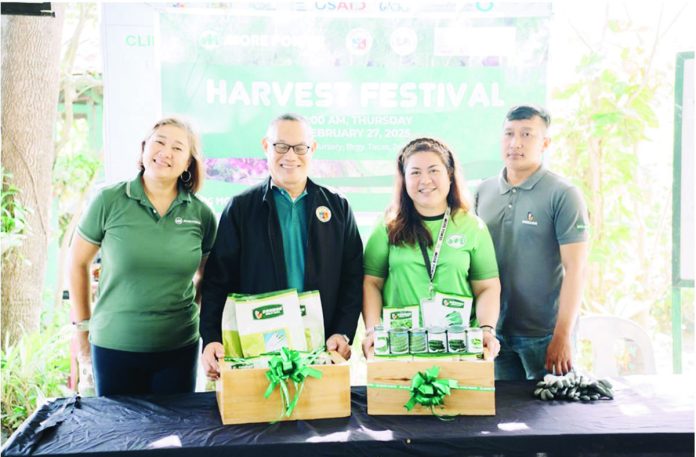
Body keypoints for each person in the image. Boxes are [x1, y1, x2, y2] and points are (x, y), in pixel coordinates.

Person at [199, 113, 363, 379]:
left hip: (321, 350)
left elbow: (352, 277)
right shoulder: (241, 208)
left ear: (313, 149)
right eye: (281, 146)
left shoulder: (338, 206)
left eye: (300, 148)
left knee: (322, 419)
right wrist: (211, 337)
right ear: (266, 146)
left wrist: (343, 331)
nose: (291, 156)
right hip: (257, 349)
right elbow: (218, 280)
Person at [68, 116, 217, 396]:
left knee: (172, 435)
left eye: (177, 148)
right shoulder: (108, 201)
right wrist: (83, 331)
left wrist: (189, 310)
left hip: (178, 348)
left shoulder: (201, 214)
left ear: (188, 163)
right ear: (143, 149)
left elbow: (207, 276)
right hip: (114, 346)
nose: (166, 152)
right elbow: (77, 263)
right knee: (120, 438)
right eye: (159, 142)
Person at [475, 104, 589, 380]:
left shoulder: (564, 194)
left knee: (554, 417)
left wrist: (562, 336)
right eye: (509, 134)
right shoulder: (483, 191)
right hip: (495, 335)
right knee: (504, 417)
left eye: (527, 134)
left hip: (545, 335)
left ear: (545, 143)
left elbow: (576, 270)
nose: (516, 143)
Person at [362, 137, 501, 358]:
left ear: (450, 174)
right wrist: (372, 330)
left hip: (459, 352)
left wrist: (486, 329)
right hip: (400, 353)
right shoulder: (387, 225)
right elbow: (371, 283)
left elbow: (487, 287)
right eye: (415, 172)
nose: (424, 180)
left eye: (434, 170)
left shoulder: (473, 227)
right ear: (404, 179)